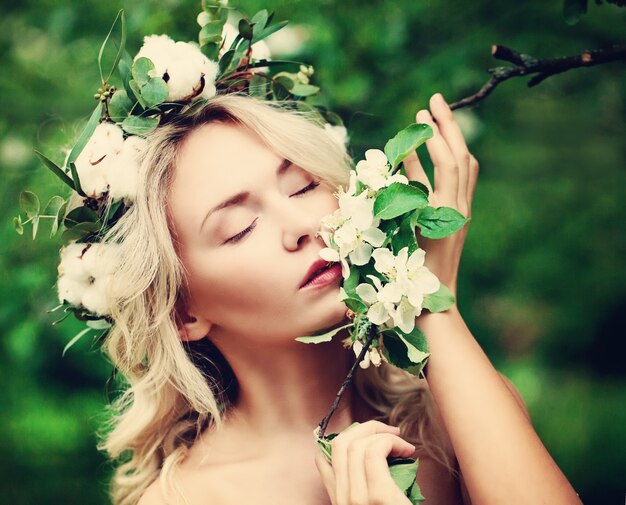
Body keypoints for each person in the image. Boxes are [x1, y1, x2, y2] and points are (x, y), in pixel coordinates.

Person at [94, 91, 583, 505]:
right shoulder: (184, 498)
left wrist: (430, 300)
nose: (302, 227)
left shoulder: (456, 412)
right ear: (183, 311)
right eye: (239, 229)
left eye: (303, 186)